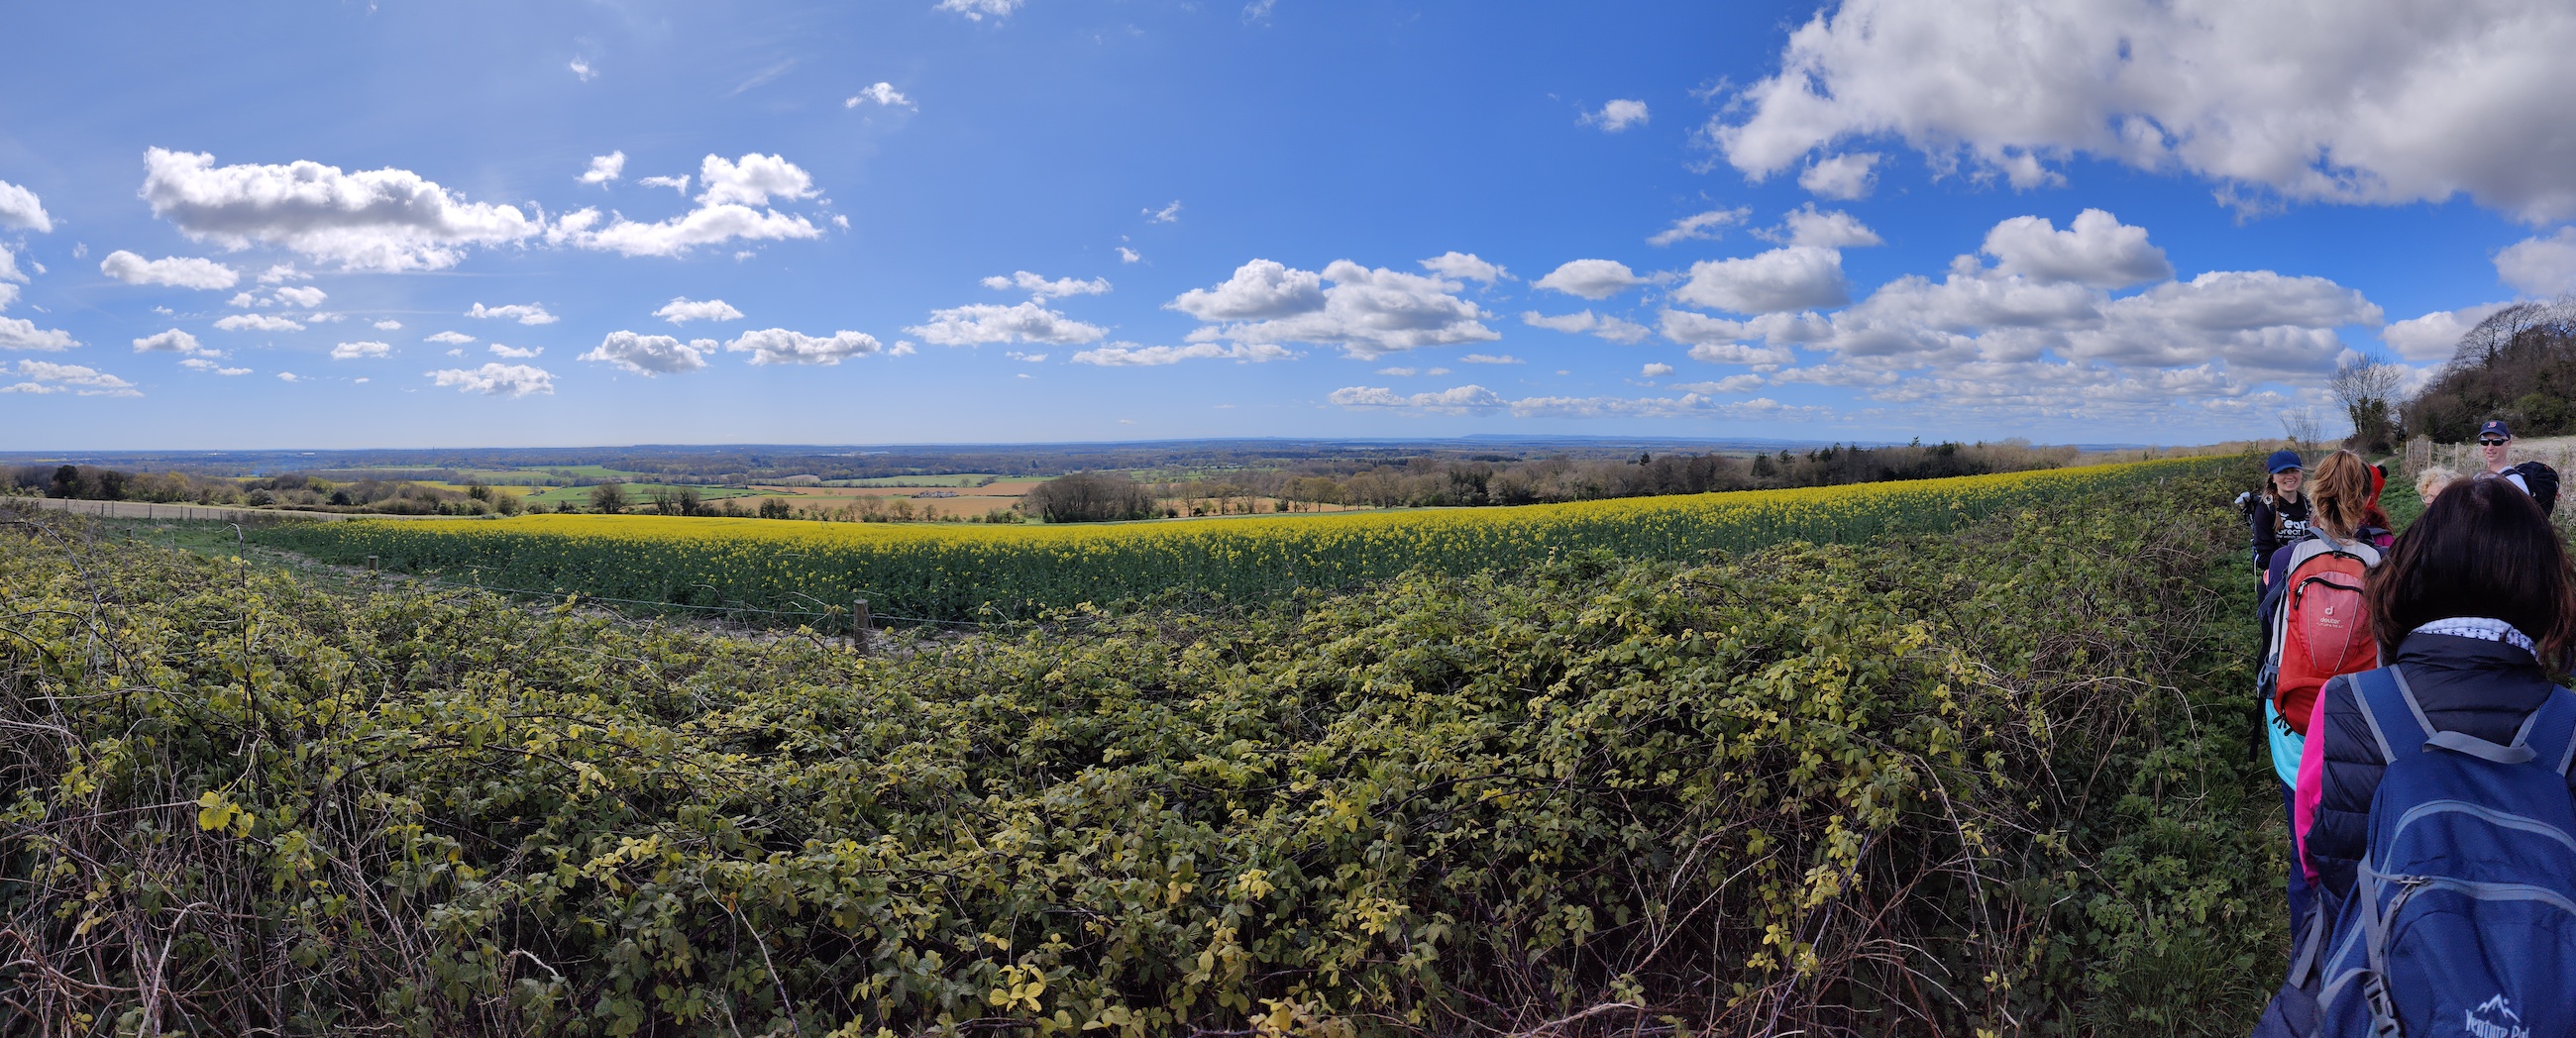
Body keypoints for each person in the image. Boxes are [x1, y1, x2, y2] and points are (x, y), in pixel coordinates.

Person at [2295, 475, 2576, 902]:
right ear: (2544, 583)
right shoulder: (2568, 723)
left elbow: (2313, 854)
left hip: (2377, 957)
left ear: (2413, 570)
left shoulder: (2346, 703)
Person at [2257, 451, 2389, 934]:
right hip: (2362, 730)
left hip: (2294, 727)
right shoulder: (2384, 566)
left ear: (2315, 495)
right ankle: (2357, 951)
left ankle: (2305, 963)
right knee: (2362, 854)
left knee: (2304, 856)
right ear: (2365, 499)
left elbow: (2270, 633)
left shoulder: (2283, 558)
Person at [2246, 450, 2309, 574]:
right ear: (2272, 478)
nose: (2290, 476)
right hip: (2279, 575)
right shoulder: (2265, 508)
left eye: (2294, 471)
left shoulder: (2312, 505)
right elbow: (2264, 557)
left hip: (2311, 573)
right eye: (2282, 472)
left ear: (2301, 473)